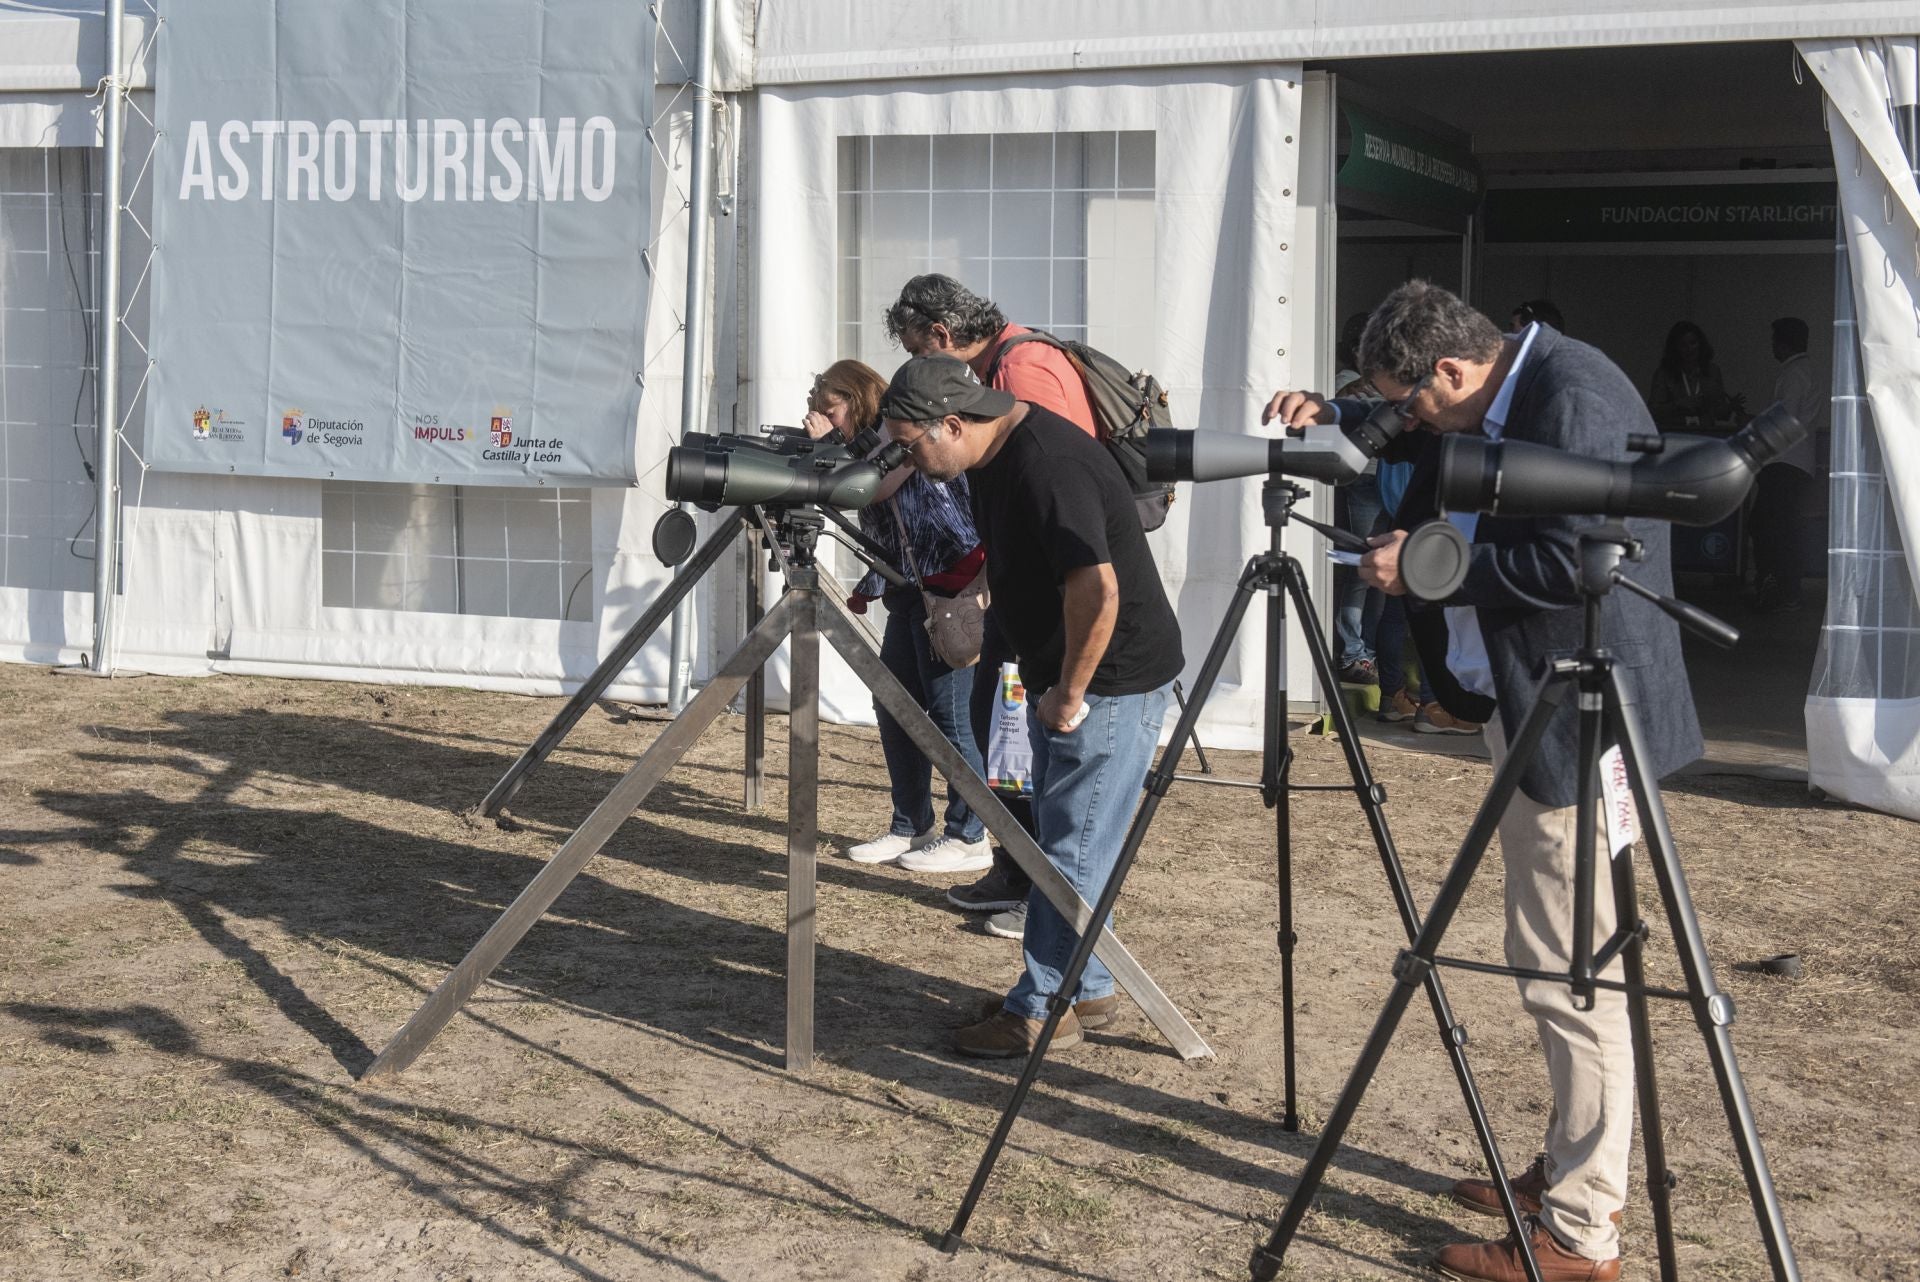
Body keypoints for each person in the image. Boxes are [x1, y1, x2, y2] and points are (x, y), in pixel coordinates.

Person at [1267, 281, 1702, 1281]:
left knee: (1570, 967)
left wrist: (1424, 563)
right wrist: (1343, 417)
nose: (1409, 420)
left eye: (1412, 400)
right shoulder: (1524, 379)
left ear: (1455, 370)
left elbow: (1575, 559)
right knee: (1551, 946)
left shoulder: (1571, 399)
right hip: (1544, 700)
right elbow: (1442, 447)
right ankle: (1567, 1165)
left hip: (1582, 716)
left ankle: (1580, 1229)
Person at [878, 354, 1183, 1059]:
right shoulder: (990, 454)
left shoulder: (1047, 465)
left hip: (1106, 681)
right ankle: (1093, 985)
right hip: (1064, 675)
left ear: (953, 423)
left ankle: (1042, 1008)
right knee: (1069, 838)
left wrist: (1071, 692)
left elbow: (1096, 589)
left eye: (912, 444)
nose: (908, 459)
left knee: (1067, 852)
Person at [883, 275, 1102, 937]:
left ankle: (1038, 894)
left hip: (1051, 596)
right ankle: (1013, 868)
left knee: (1026, 741)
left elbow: (1056, 487)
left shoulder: (1023, 371)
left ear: (942, 338)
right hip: (1018, 591)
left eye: (920, 354)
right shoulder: (998, 367)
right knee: (999, 732)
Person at [802, 360, 992, 875]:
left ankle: (970, 834)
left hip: (949, 589)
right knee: (894, 705)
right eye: (817, 409)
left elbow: (869, 488)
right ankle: (912, 824)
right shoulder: (870, 442)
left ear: (856, 397)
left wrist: (832, 450)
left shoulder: (900, 434)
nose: (822, 417)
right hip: (909, 590)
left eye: (830, 407)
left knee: (951, 717)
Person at [1744, 317, 1822, 612]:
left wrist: (1755, 428)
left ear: (1784, 343)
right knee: (1784, 527)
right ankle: (1785, 589)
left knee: (1767, 526)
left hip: (1784, 461)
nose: (1772, 347)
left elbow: (1785, 418)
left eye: (1775, 340)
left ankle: (1776, 587)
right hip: (1798, 462)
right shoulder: (1806, 372)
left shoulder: (1793, 374)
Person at [1332, 311, 1384, 686]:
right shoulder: (1348, 383)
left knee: (1380, 573)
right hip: (1363, 481)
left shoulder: (1377, 382)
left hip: (1386, 482)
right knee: (1361, 570)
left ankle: (1366, 649)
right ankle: (1353, 652)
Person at [1647, 320, 1739, 430]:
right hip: (1676, 433)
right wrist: (1678, 405)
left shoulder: (1712, 371)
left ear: (1701, 344)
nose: (1689, 349)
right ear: (1675, 348)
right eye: (1683, 345)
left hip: (1706, 434)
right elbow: (1652, 412)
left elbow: (1720, 415)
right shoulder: (1664, 373)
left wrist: (1730, 407)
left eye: (1693, 343)